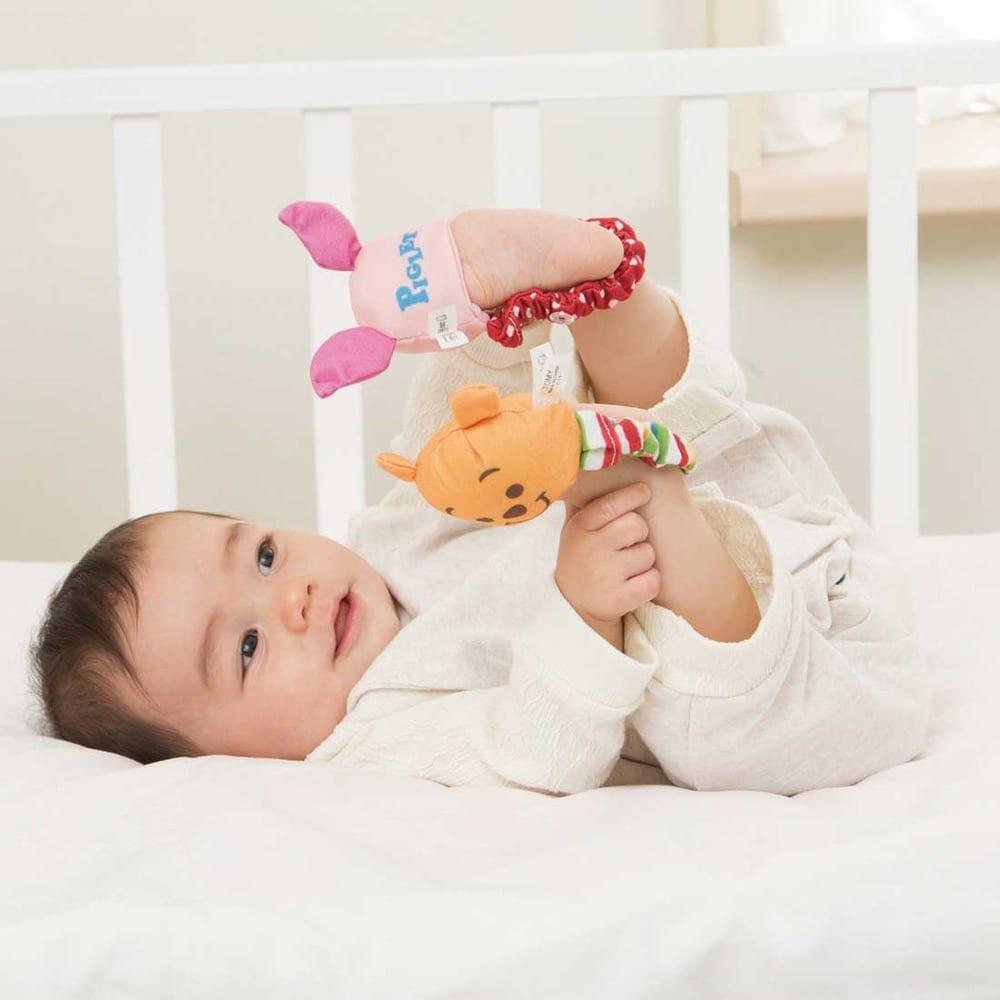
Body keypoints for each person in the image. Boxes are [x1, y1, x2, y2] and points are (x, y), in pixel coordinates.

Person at [30, 208, 930, 795]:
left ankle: (594, 280)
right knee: (708, 723)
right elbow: (531, 751)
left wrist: (487, 346)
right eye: (248, 647)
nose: (292, 597)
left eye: (263, 556)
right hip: (795, 672)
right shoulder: (374, 739)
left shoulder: (391, 536)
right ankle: (631, 469)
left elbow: (454, 433)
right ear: (220, 763)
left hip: (764, 511)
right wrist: (582, 613)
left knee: (604, 402)